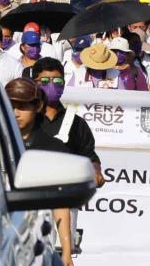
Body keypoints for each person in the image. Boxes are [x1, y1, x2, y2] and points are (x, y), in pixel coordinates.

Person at [5, 78, 76, 266]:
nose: (15, 112)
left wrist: (66, 252)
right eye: (10, 105)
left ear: (37, 106)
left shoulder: (54, 149)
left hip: (36, 247)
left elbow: (60, 205)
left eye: (22, 106)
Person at [30, 58, 104, 187]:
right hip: (30, 192)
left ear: (64, 84)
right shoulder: (25, 118)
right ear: (35, 84)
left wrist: (96, 171)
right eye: (45, 81)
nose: (52, 85)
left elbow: (90, 157)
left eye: (57, 81)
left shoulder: (77, 123)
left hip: (65, 195)